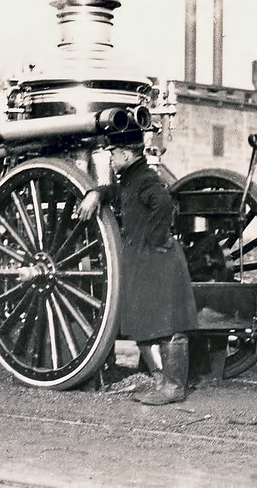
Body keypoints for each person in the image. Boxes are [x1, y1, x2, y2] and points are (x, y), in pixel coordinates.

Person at [77, 128, 198, 405]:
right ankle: (161, 381)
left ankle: (174, 387)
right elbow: (117, 192)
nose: (111, 160)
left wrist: (155, 239)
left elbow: (163, 202)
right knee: (144, 321)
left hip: (157, 258)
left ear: (126, 155)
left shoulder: (145, 179)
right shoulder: (134, 178)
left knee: (168, 323)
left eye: (115, 156)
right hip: (146, 257)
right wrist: (97, 192)